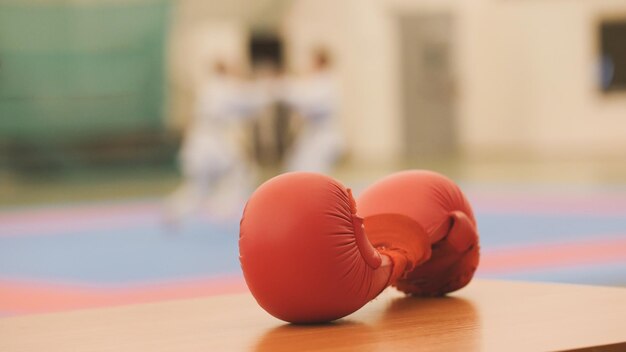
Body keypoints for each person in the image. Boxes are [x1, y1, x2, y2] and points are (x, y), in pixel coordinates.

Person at [165, 61, 261, 228]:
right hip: (210, 141)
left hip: (200, 139)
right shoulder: (223, 87)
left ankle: (174, 211)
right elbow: (247, 102)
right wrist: (268, 89)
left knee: (200, 185)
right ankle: (222, 209)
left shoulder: (209, 88)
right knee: (241, 171)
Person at [280, 49, 343, 174]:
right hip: (314, 135)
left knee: (313, 171)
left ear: (318, 62)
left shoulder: (324, 83)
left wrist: (283, 89)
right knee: (297, 166)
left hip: (324, 136)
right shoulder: (316, 82)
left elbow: (307, 101)